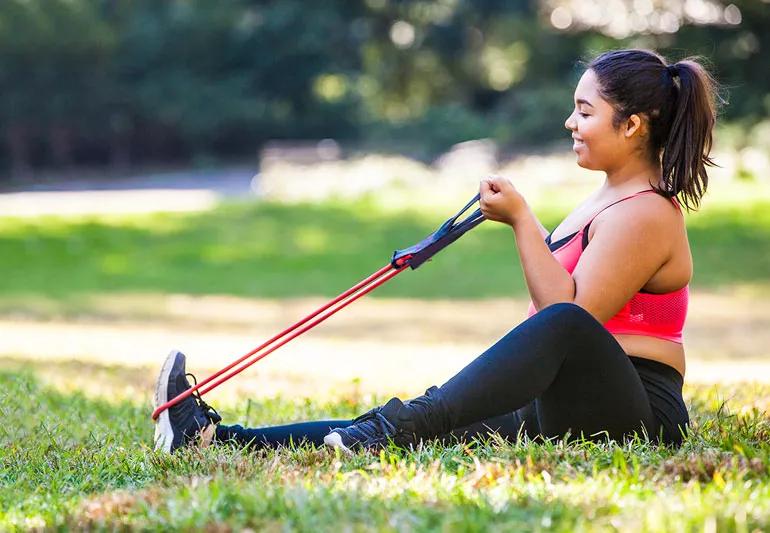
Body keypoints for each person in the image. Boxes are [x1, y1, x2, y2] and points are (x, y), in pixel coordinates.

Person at [153, 48, 719, 455]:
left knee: (424, 415)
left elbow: (567, 319)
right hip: (570, 398)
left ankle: (395, 427)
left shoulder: (646, 211)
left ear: (634, 126)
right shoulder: (606, 197)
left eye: (585, 111)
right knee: (414, 425)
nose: (571, 122)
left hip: (636, 412)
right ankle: (212, 439)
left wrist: (521, 219)